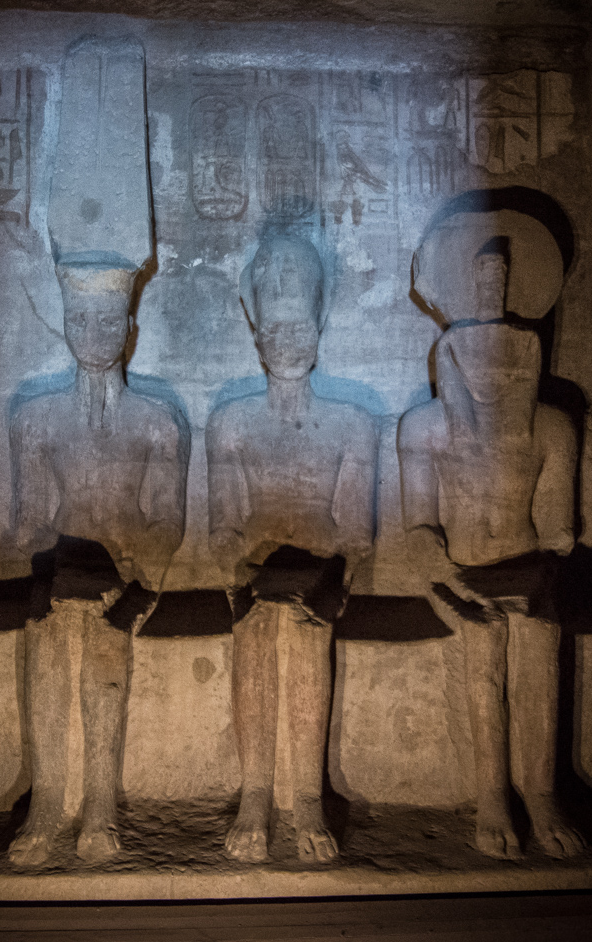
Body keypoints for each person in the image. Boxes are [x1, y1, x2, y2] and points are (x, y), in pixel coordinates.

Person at [399, 237, 584, 861]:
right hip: (459, 575)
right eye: (475, 363)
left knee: (540, 652)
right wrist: (437, 561)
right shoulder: (426, 427)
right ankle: (491, 795)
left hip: (527, 571)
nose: (490, 377)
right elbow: (419, 523)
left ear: (527, 360)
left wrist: (551, 552)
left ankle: (540, 791)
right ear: (451, 361)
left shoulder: (551, 426)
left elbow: (557, 525)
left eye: (505, 363)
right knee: (484, 655)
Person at [8, 264, 188, 865]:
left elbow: (166, 522)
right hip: (63, 571)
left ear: (130, 328)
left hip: (126, 573)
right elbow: (29, 519)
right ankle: (48, 799)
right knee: (50, 646)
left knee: (104, 648)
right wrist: (43, 568)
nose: (94, 331)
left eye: (108, 319)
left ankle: (101, 804)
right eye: (80, 318)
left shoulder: (156, 421)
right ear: (64, 323)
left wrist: (139, 579)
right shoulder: (36, 417)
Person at [206, 235, 377, 863]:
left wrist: (317, 565)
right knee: (255, 625)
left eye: (297, 325)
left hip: (321, 580)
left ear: (320, 325)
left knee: (305, 629)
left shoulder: (351, 425)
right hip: (255, 580)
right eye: (273, 328)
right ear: (256, 337)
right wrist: (252, 563)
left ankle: (306, 795)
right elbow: (223, 530)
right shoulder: (231, 422)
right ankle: (256, 795)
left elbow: (357, 533)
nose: (285, 340)